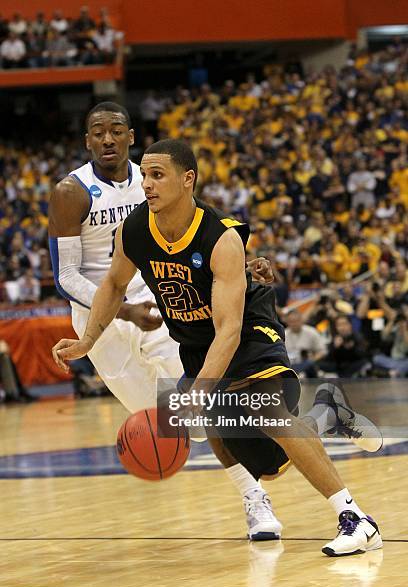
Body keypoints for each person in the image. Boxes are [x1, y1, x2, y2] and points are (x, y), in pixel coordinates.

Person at [52, 139, 383, 556]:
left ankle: (356, 519)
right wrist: (87, 341)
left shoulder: (221, 237)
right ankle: (327, 414)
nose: (147, 184)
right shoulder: (135, 230)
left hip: (247, 332)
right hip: (195, 342)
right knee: (260, 456)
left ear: (187, 179)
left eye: (157, 175)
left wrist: (202, 388)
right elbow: (114, 285)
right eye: (146, 175)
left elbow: (228, 329)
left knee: (270, 413)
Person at [48, 102, 285, 541]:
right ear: (87, 141)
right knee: (167, 425)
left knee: (203, 407)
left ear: (131, 137)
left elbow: (206, 230)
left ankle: (254, 500)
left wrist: (242, 264)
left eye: (116, 130)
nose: (107, 139)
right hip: (102, 322)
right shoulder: (71, 192)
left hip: (159, 304)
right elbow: (65, 276)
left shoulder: (154, 179)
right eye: (97, 132)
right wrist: (122, 312)